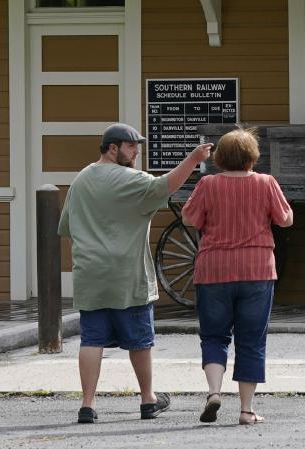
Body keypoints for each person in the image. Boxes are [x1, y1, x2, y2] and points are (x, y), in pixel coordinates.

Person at [58, 123, 214, 425]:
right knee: (140, 340)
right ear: (112, 148)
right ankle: (147, 400)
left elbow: (66, 227)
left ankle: (87, 406)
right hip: (128, 273)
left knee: (91, 340)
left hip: (90, 273)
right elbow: (166, 186)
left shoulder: (80, 180)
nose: (137, 152)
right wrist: (194, 158)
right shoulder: (130, 180)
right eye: (131, 146)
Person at [182, 128, 294, 426]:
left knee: (214, 335)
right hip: (256, 270)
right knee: (251, 339)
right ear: (252, 157)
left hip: (213, 270)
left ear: (220, 158)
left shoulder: (208, 184)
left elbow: (189, 218)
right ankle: (246, 410)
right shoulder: (266, 182)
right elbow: (285, 219)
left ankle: (214, 392)